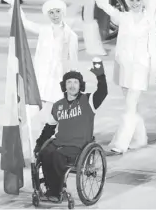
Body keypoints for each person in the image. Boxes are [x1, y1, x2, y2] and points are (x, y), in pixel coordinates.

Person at [94, 0, 156, 154]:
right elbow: (106, 6)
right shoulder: (123, 18)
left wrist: (155, 68)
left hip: (140, 67)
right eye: (131, 0)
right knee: (132, 106)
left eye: (138, 0)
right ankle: (140, 138)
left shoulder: (149, 21)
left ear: (143, 1)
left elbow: (153, 47)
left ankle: (120, 144)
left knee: (130, 106)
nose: (135, 4)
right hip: (124, 67)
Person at [33, 58, 108, 201]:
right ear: (64, 86)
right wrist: (38, 145)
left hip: (78, 146)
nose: (72, 85)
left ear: (81, 85)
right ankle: (50, 186)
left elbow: (103, 91)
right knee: (44, 153)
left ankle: (56, 192)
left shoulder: (88, 101)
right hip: (60, 142)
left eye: (75, 82)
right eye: (69, 82)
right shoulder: (58, 105)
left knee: (56, 156)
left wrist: (100, 75)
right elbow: (49, 128)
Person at [3, 0, 79, 124]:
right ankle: (24, 131)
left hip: (59, 78)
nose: (55, 15)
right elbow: (24, 22)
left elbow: (74, 62)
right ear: (47, 15)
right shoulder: (43, 31)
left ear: (63, 12)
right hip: (41, 77)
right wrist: (14, 3)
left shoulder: (71, 36)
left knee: (55, 115)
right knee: (34, 108)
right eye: (51, 12)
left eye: (57, 11)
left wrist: (74, 85)